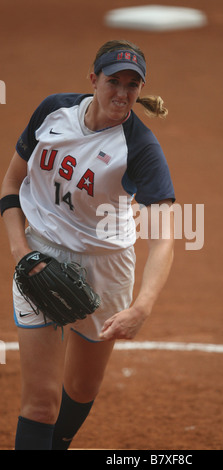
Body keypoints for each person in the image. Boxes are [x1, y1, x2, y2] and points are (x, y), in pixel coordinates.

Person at [0, 39, 175, 450]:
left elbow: (164, 237)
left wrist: (142, 307)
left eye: (133, 85)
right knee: (41, 405)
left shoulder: (140, 147)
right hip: (38, 255)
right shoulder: (52, 112)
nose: (123, 93)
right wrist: (20, 251)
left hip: (106, 268)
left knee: (80, 387)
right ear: (93, 79)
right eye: (114, 80)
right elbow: (10, 184)